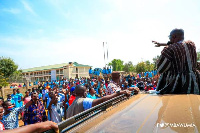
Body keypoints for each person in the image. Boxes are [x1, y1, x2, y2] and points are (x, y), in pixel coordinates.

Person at [156, 29, 200, 94]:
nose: (169, 39)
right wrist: (161, 44)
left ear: (174, 36)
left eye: (169, 37)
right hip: (193, 81)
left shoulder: (169, 49)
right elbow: (180, 44)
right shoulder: (191, 45)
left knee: (176, 103)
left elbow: (161, 69)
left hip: (176, 84)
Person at [66, 84, 132, 119]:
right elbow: (103, 100)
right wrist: (118, 93)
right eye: (86, 91)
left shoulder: (69, 108)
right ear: (84, 93)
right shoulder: (84, 102)